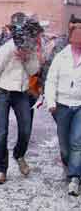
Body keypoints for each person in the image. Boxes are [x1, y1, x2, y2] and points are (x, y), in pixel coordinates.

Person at [0, 18, 40, 184]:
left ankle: (19, 154)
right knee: (2, 132)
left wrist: (26, 59)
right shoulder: (8, 47)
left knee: (25, 129)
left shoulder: (31, 49)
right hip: (3, 92)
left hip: (22, 93)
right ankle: (1, 169)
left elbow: (34, 71)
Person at [45, 17, 81, 196]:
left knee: (77, 141)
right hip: (62, 105)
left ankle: (75, 177)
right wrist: (51, 102)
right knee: (64, 145)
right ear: (72, 37)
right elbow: (51, 81)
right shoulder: (61, 57)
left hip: (80, 106)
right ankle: (69, 165)